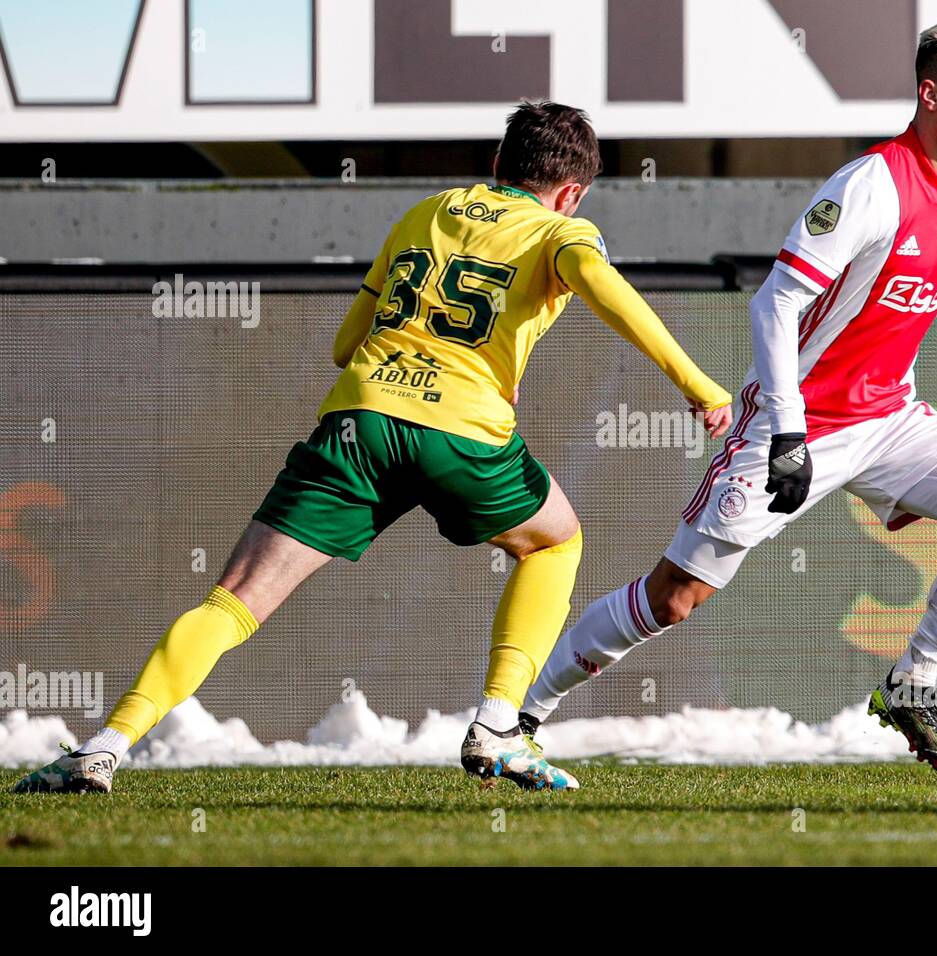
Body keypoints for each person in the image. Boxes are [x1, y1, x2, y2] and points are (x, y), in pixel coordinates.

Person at [14, 101, 733, 794]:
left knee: (233, 600)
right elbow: (603, 285)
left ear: (496, 163)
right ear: (570, 193)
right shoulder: (562, 235)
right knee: (552, 542)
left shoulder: (424, 213)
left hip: (359, 418)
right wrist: (700, 386)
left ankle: (106, 746)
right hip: (459, 431)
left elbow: (341, 347)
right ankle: (496, 724)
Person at [519, 23, 937, 774]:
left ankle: (912, 683)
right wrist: (787, 431)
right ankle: (522, 714)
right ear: (931, 96)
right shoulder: (869, 185)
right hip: (797, 422)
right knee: (674, 599)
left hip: (890, 416)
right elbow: (775, 300)